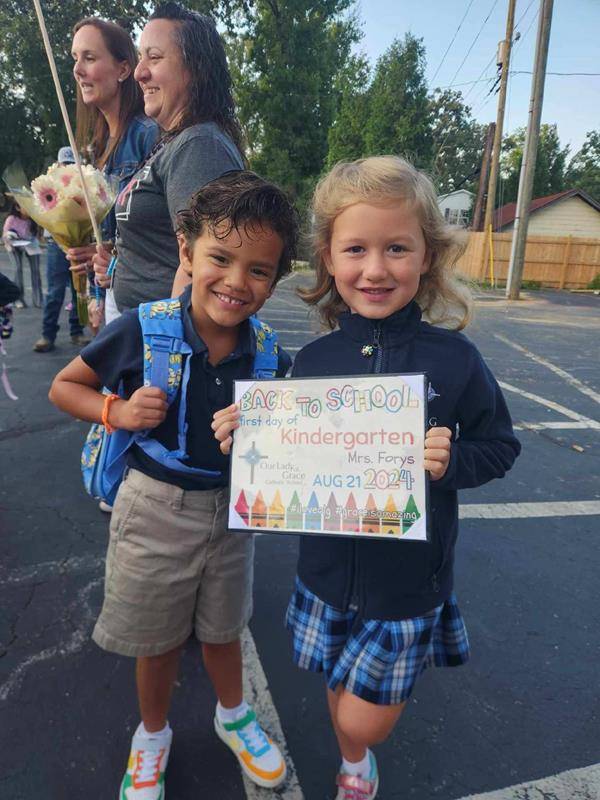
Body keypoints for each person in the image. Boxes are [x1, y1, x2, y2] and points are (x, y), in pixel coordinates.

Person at [213, 155, 521, 800]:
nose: (375, 268)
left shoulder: (456, 359)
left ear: (427, 257)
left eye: (396, 248)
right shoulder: (313, 363)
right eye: (356, 248)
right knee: (335, 682)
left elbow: (499, 446)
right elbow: (286, 456)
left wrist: (451, 462)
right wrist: (250, 437)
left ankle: (358, 747)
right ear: (328, 257)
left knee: (361, 713)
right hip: (325, 573)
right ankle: (354, 763)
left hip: (406, 585)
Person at [49, 171, 299, 798]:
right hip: (153, 506)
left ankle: (234, 714)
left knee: (224, 628)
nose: (237, 282)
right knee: (155, 638)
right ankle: (152, 733)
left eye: (260, 270)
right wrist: (118, 412)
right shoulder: (141, 327)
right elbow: (65, 386)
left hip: (233, 515)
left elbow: (304, 431)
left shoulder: (271, 355)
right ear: (186, 251)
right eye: (220, 258)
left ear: (275, 278)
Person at [92, 2, 245, 317]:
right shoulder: (174, 142)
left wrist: (167, 354)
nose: (139, 72)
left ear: (197, 68)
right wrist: (119, 266)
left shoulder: (200, 147)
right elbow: (162, 249)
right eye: (140, 57)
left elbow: (203, 269)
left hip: (158, 345)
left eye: (155, 57)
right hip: (135, 330)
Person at [66, 16, 159, 325]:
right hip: (112, 306)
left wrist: (111, 264)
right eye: (75, 58)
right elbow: (107, 243)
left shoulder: (148, 135)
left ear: (122, 69)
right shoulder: (95, 147)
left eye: (89, 58)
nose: (78, 70)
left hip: (145, 312)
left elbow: (164, 238)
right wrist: (95, 295)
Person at [32, 147, 90, 352]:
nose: (68, 168)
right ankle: (48, 334)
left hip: (79, 241)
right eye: (65, 164)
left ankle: (77, 331)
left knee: (79, 289)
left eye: (71, 164)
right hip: (56, 243)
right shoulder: (49, 185)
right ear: (58, 165)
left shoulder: (85, 184)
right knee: (55, 291)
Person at [2, 201, 43, 308]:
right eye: (25, 207)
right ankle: (18, 299)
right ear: (17, 207)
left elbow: (36, 235)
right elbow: (5, 235)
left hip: (30, 245)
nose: (28, 210)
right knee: (18, 269)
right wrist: (12, 238)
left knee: (35, 271)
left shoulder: (32, 220)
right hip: (14, 246)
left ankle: (38, 300)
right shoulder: (12, 219)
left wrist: (32, 241)